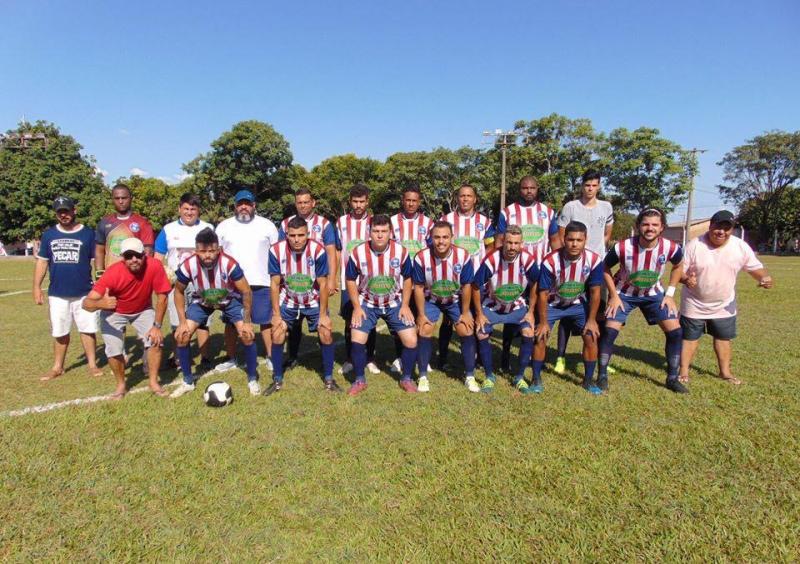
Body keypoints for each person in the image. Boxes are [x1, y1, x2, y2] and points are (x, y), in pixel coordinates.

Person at [678, 210, 773, 385]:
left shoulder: (740, 246)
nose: (721, 231)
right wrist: (685, 279)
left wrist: (763, 278)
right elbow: (679, 270)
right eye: (718, 226)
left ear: (731, 229)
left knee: (723, 338)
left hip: (724, 305)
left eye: (726, 228)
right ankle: (683, 371)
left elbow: (754, 268)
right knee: (689, 339)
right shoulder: (694, 245)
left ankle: (725, 373)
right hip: (694, 303)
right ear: (710, 226)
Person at [600, 209, 687, 393]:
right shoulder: (623, 247)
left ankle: (672, 378)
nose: (650, 228)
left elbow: (678, 266)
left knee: (675, 332)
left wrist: (670, 294)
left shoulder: (670, 247)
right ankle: (601, 375)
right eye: (646, 224)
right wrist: (614, 296)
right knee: (609, 331)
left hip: (653, 294)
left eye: (655, 225)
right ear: (638, 226)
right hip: (624, 293)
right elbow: (605, 267)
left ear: (662, 227)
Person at [169, 228, 261, 398]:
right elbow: (178, 291)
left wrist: (247, 321)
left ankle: (252, 379)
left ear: (218, 249)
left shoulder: (229, 264)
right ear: (196, 251)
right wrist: (182, 322)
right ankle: (188, 382)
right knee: (181, 336)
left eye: (211, 251)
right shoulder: (189, 265)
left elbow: (246, 291)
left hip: (230, 300)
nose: (207, 255)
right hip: (203, 302)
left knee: (247, 334)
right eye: (203, 251)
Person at [82, 238, 170, 399]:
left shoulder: (155, 266)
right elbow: (86, 303)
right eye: (129, 256)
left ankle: (153, 381)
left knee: (155, 341)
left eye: (137, 255)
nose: (134, 259)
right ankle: (121, 385)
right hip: (114, 312)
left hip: (143, 310)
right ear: (123, 258)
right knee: (114, 350)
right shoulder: (113, 273)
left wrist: (157, 326)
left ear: (144, 254)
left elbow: (162, 298)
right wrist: (102, 303)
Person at [265, 216, 340, 395]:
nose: (297, 239)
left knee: (326, 331)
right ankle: (277, 379)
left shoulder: (318, 250)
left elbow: (322, 284)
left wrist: (323, 314)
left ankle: (329, 378)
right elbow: (275, 284)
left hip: (313, 300)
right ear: (287, 235)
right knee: (277, 332)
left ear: (308, 234)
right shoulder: (276, 251)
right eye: (292, 235)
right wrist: (276, 314)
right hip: (288, 300)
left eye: (301, 235)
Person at [345, 214, 418, 395]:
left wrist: (405, 305)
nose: (379, 235)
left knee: (411, 339)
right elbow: (350, 280)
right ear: (369, 232)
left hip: (394, 302)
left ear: (390, 233)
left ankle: (406, 378)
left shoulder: (400, 252)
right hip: (367, 303)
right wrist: (356, 307)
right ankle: (360, 380)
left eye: (384, 231)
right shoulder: (357, 252)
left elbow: (408, 278)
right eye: (376, 231)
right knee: (357, 340)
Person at [494, 176, 560, 372]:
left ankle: (532, 354)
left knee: (538, 314)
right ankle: (505, 355)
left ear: (537, 189)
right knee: (510, 311)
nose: (528, 191)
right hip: (514, 271)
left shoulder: (548, 212)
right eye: (524, 188)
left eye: (532, 188)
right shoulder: (508, 212)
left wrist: (558, 268)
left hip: (540, 273)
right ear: (519, 189)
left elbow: (555, 241)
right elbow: (499, 242)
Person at [33, 196, 102, 380]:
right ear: (56, 214)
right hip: (58, 293)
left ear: (74, 210)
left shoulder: (88, 234)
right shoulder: (49, 235)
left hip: (84, 292)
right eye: (60, 212)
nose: (64, 215)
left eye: (67, 211)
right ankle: (57, 367)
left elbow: (96, 261)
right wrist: (36, 287)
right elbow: (42, 262)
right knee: (60, 331)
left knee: (88, 329)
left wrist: (100, 284)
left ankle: (93, 365)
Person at [554, 169, 614, 374]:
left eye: (594, 185)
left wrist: (594, 256)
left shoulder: (606, 207)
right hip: (572, 268)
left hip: (595, 268)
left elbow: (607, 234)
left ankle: (598, 354)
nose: (590, 189)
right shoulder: (570, 207)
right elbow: (562, 236)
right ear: (581, 186)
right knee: (567, 312)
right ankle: (560, 357)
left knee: (599, 313)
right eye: (587, 185)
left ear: (599, 186)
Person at [534, 221, 603, 395]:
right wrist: (542, 322)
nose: (574, 244)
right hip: (551, 304)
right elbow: (542, 294)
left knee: (591, 336)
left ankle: (588, 381)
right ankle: (536, 379)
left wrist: (592, 320)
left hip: (577, 304)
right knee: (540, 336)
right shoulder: (550, 261)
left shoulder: (594, 260)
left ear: (585, 240)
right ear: (564, 239)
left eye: (579, 240)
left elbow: (595, 292)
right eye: (571, 239)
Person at [216, 189, 280, 372]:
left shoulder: (267, 225)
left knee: (265, 321)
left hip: (261, 281)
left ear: (254, 206)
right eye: (240, 203)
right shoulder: (223, 226)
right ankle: (231, 358)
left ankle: (270, 356)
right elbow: (217, 255)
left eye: (247, 203)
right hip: (232, 285)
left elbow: (275, 254)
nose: (244, 207)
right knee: (230, 322)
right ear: (235, 206)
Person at [472, 225, 539, 393]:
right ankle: (489, 376)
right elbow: (475, 285)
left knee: (529, 332)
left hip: (516, 307)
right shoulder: (492, 259)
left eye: (516, 243)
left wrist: (531, 312)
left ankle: (519, 376)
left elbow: (536, 284)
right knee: (481, 332)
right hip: (492, 306)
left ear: (521, 243)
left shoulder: (528, 260)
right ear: (503, 242)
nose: (512, 247)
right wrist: (479, 314)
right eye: (509, 242)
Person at [413, 221, 477, 392]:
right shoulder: (421, 257)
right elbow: (418, 287)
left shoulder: (463, 256)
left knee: (466, 329)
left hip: (454, 300)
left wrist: (464, 312)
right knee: (425, 328)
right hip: (431, 299)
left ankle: (470, 376)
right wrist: (420, 314)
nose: (441, 241)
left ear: (451, 238)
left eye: (445, 237)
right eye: (437, 237)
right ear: (431, 238)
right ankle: (423, 376)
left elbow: (466, 286)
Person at [153, 193, 214, 372]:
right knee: (177, 321)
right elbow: (158, 258)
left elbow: (215, 253)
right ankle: (179, 356)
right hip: (176, 283)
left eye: (193, 209)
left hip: (201, 282)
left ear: (198, 210)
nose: (189, 212)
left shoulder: (208, 228)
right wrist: (163, 278)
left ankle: (205, 357)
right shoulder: (168, 229)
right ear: (179, 209)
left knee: (203, 320)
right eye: (186, 208)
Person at [278, 188, 338, 369]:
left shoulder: (325, 224)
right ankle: (293, 356)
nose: (303, 205)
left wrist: (332, 279)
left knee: (321, 320)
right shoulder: (285, 224)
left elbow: (331, 252)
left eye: (306, 202)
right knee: (294, 323)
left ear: (313, 203)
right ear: (295, 204)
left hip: (317, 281)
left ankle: (325, 360)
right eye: (299, 202)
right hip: (293, 283)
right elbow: (281, 249)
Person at [438, 184, 494, 369]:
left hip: (475, 280)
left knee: (477, 316)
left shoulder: (485, 222)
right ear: (457, 198)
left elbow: (490, 248)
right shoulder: (446, 219)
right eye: (462, 196)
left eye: (469, 196)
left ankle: (476, 358)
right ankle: (443, 357)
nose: (465, 199)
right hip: (451, 279)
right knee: (447, 319)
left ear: (475, 198)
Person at [389, 184, 434, 373]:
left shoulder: (428, 223)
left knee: (419, 316)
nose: (410, 203)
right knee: (402, 318)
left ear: (419, 202)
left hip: (421, 278)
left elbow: (433, 249)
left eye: (414, 200)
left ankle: (420, 357)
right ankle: (401, 356)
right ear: (402, 200)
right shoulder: (392, 221)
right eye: (407, 200)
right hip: (398, 278)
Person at [335, 183, 379, 376]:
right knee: (349, 320)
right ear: (350, 202)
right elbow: (337, 251)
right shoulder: (341, 222)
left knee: (370, 319)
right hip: (348, 279)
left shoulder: (374, 222)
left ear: (368, 201)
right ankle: (350, 359)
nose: (358, 205)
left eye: (362, 201)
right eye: (355, 201)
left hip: (371, 280)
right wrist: (334, 277)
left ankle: (370, 358)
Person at [95, 183, 155, 271]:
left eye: (124, 198)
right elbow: (99, 251)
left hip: (134, 277)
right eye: (117, 198)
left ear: (131, 198)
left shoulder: (142, 223)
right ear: (112, 199)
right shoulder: (104, 222)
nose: (120, 201)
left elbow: (148, 252)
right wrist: (99, 274)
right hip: (111, 276)